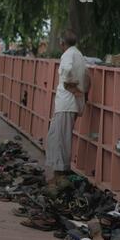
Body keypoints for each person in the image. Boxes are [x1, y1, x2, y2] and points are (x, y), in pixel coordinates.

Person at [46, 30, 88, 185]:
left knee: (60, 139)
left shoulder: (67, 55)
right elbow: (87, 76)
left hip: (66, 103)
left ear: (62, 43)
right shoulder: (79, 54)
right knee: (59, 137)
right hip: (72, 103)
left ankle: (60, 176)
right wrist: (80, 93)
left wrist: (71, 87)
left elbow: (67, 71)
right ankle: (59, 174)